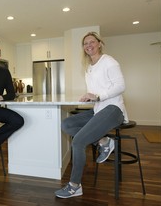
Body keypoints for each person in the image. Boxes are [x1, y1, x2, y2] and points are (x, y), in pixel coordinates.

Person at [54, 32, 128, 198]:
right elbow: (96, 90)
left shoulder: (108, 61)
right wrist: (89, 96)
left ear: (99, 43)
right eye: (85, 43)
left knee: (79, 141)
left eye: (92, 42)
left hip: (114, 109)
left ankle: (74, 186)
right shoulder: (88, 67)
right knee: (67, 124)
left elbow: (121, 85)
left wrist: (98, 96)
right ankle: (104, 141)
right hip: (99, 109)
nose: (89, 45)